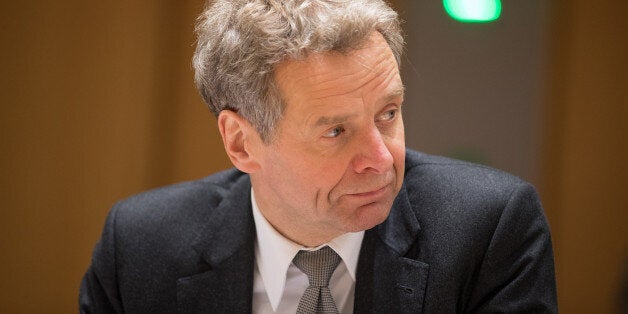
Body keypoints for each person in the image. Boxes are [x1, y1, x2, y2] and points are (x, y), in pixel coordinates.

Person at [79, 0, 557, 313]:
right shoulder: (141, 248)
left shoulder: (488, 231)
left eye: (388, 113)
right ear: (242, 143)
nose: (381, 159)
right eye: (335, 130)